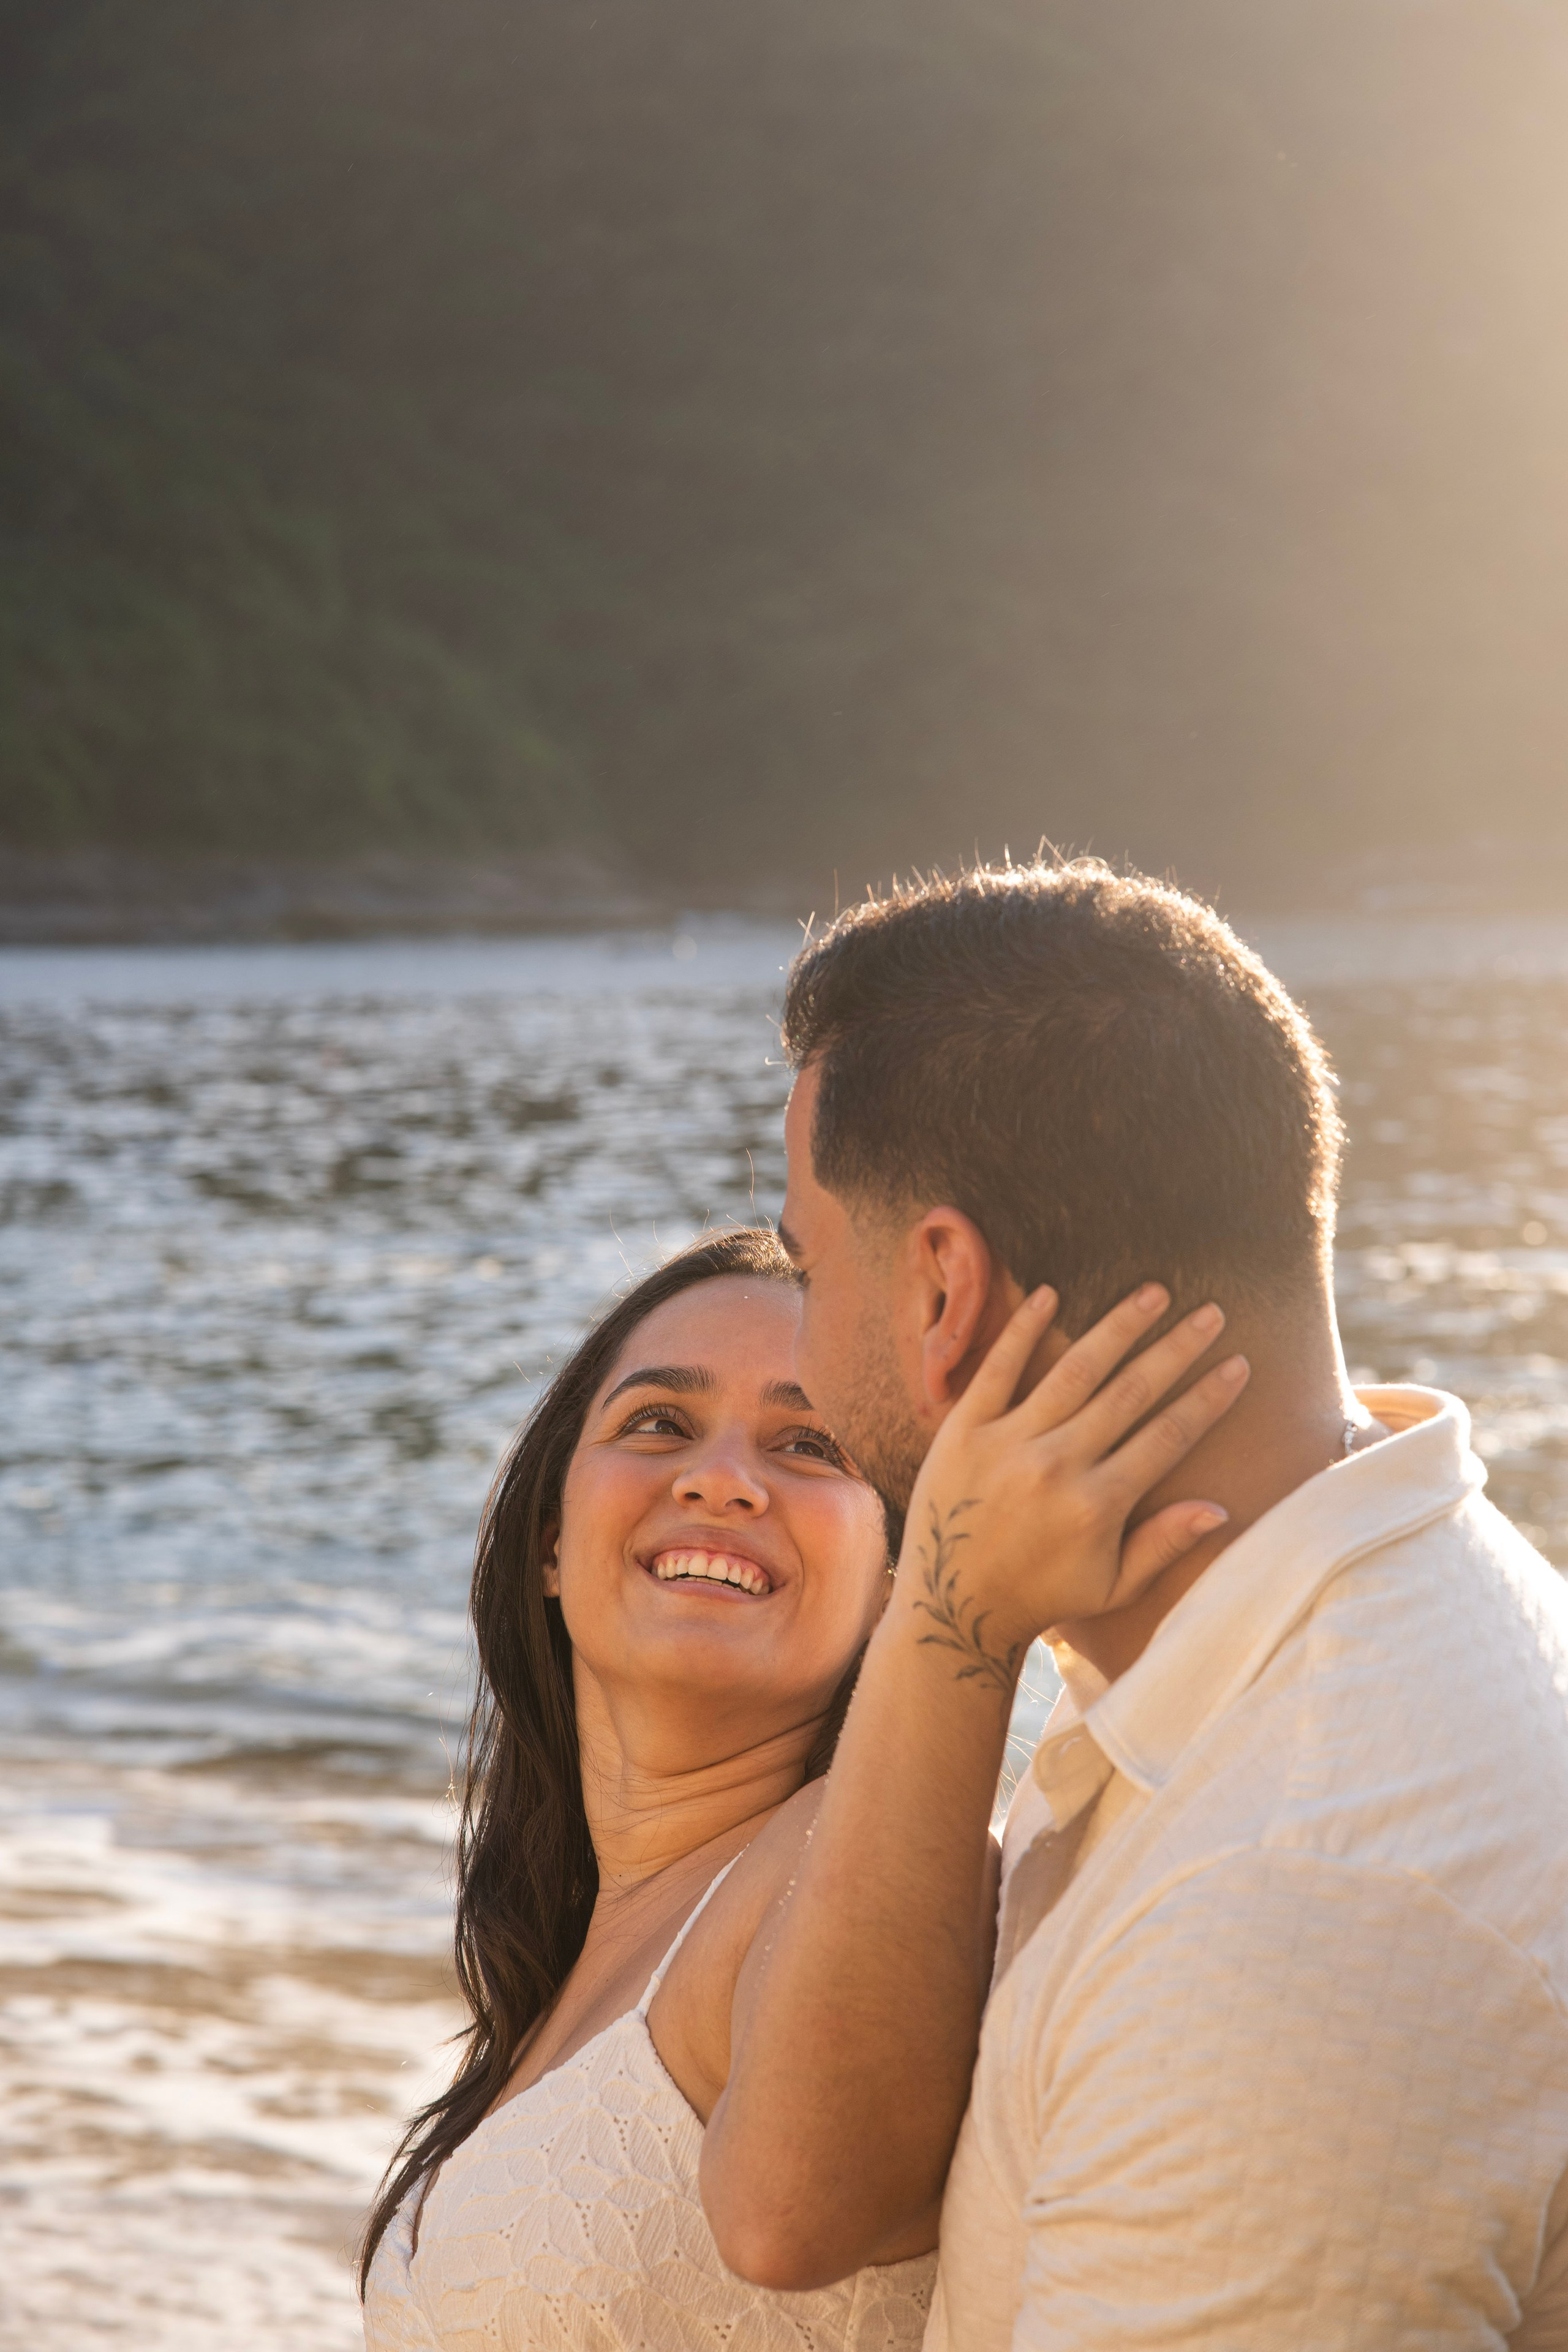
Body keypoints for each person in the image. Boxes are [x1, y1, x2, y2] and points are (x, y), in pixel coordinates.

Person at [704, 861, 1568, 2348]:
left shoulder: (1293, 1908)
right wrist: (948, 1620)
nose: (797, 1334)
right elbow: (794, 2205)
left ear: (940, 1292)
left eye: (804, 1260)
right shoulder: (1330, 1620)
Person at [360, 1224, 1231, 2349]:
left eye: (810, 1444)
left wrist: (968, 1612)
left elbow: (795, 2214)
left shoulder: (865, 1873)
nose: (721, 1480)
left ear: (890, 1577)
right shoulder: (588, 1943)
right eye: (659, 1423)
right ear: (547, 1543)